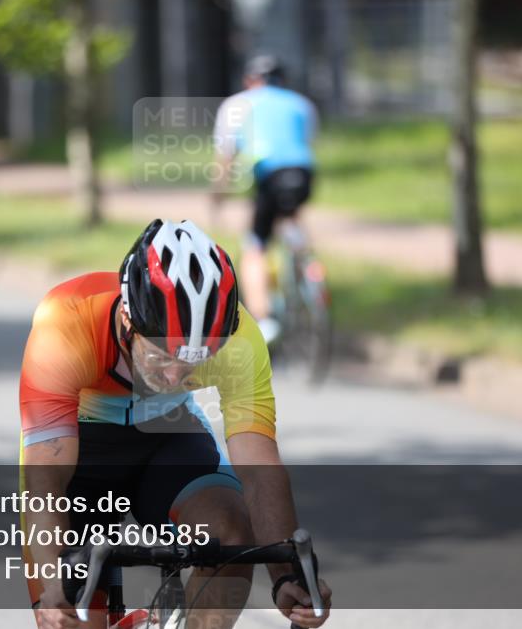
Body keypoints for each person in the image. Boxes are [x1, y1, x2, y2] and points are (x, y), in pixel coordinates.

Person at [20, 219, 331, 629]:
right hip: (81, 451)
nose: (173, 377)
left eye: (194, 361)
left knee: (232, 535)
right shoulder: (66, 320)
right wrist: (53, 587)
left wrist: (286, 576)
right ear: (129, 324)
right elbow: (46, 480)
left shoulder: (239, 340)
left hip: (167, 435)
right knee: (71, 615)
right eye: (161, 357)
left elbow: (259, 468)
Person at [212, 55, 320, 344]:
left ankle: (265, 318)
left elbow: (225, 158)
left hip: (267, 176)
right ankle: (309, 267)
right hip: (302, 172)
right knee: (291, 216)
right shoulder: (301, 104)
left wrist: (218, 198)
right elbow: (305, 142)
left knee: (255, 246)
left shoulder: (236, 105)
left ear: (249, 80)